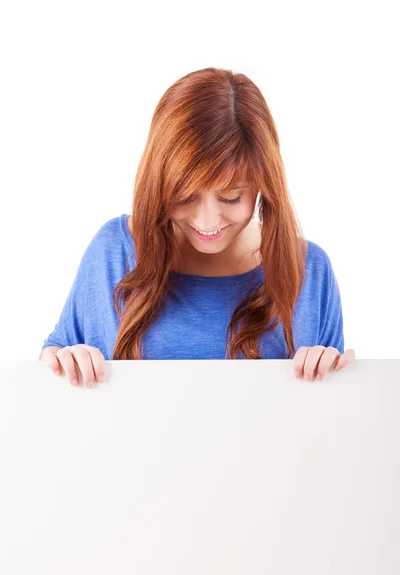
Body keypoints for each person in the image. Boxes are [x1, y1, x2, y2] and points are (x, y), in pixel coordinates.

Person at [39, 67, 355, 388]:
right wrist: (62, 361)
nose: (207, 222)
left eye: (231, 197)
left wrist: (338, 378)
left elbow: (333, 423)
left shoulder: (308, 270)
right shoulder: (113, 252)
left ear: (264, 185)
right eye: (186, 196)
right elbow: (50, 371)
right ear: (160, 182)